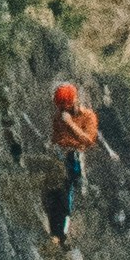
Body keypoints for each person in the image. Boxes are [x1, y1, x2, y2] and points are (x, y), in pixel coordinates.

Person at [44, 79, 99, 245]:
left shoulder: (88, 116)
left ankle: (61, 235)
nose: (62, 111)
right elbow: (56, 137)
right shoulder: (59, 116)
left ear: (73, 102)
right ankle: (54, 231)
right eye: (60, 108)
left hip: (73, 158)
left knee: (64, 194)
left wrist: (70, 124)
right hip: (58, 157)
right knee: (51, 194)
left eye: (64, 106)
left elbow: (89, 140)